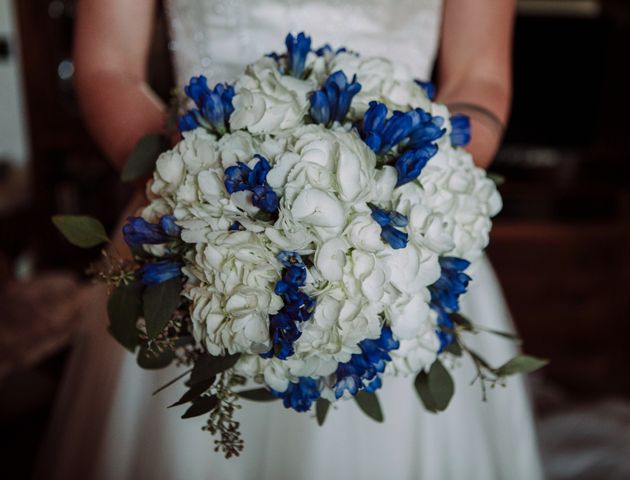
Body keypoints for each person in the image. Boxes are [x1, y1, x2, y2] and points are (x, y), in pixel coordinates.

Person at [37, 0, 544, 478]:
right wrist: (193, 184)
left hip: (398, 234)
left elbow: (479, 77)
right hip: (196, 215)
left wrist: (403, 181)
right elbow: (108, 65)